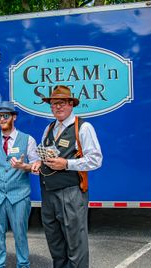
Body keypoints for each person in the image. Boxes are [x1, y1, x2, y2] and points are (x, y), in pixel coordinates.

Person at [31, 85, 103, 268]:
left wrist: (67, 164)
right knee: (55, 242)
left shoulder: (83, 127)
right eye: (53, 104)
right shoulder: (49, 128)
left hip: (71, 192)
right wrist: (39, 162)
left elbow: (96, 160)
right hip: (48, 193)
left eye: (61, 103)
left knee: (75, 243)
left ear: (71, 104)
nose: (57, 107)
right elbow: (44, 154)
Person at [0, 101, 40, 268]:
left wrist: (25, 166)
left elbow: (36, 166)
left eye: (5, 115)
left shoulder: (27, 139)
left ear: (14, 117)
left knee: (20, 233)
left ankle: (23, 264)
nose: (2, 119)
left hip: (19, 195)